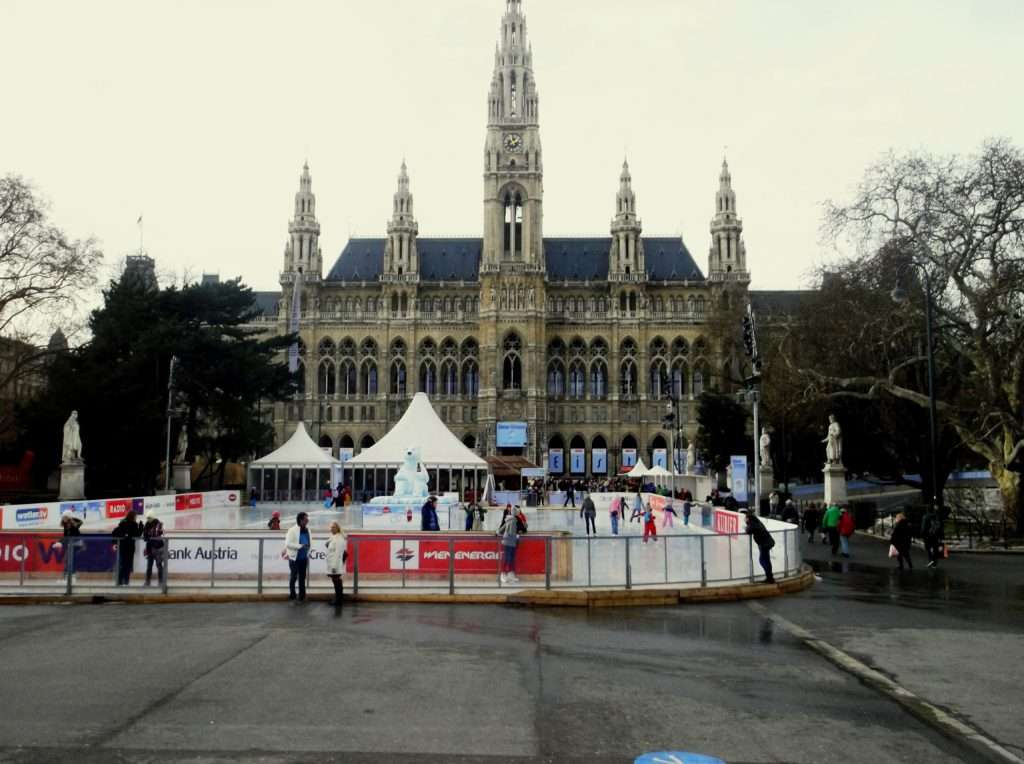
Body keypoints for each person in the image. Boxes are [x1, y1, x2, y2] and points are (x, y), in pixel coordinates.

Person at [284, 512, 313, 601]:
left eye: (307, 518)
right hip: (294, 558)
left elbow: (310, 542)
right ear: (300, 520)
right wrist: (300, 546)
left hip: (304, 558)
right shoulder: (292, 530)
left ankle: (302, 596)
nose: (307, 520)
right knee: (294, 577)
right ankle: (292, 595)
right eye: (306, 519)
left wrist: (308, 549)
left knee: (302, 577)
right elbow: (288, 544)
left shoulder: (308, 529)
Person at [743, 509, 776, 583]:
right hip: (766, 542)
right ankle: (770, 577)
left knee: (762, 560)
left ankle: (769, 577)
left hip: (764, 544)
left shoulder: (753, 524)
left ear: (749, 518)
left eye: (746, 518)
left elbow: (748, 531)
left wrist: (746, 525)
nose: (745, 519)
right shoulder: (756, 522)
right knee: (766, 560)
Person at [111, 510, 143, 586]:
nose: (136, 518)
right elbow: (137, 534)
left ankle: (119, 581)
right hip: (129, 548)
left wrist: (114, 543)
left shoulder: (122, 523)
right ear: (133, 517)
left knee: (122, 564)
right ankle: (126, 581)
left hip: (122, 547)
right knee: (127, 565)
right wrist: (141, 527)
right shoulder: (133, 524)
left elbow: (114, 532)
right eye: (135, 516)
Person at [325, 520, 346, 606]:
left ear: (338, 528)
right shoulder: (333, 537)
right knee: (335, 581)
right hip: (332, 563)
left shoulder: (339, 538)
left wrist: (334, 566)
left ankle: (339, 600)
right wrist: (329, 540)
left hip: (335, 564)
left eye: (333, 527)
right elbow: (327, 544)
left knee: (337, 581)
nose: (331, 529)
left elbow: (338, 553)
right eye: (331, 527)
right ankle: (338, 598)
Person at [58, 511, 84, 580]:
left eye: (65, 517)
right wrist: (59, 541)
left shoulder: (74, 521)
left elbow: (79, 523)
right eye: (63, 517)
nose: (63, 518)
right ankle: (68, 575)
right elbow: (65, 535)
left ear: (68, 517)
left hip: (76, 543)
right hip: (70, 543)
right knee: (68, 559)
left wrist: (72, 520)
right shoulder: (65, 524)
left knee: (71, 558)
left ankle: (72, 575)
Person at [142, 510, 165, 586]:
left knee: (159, 565)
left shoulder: (159, 524)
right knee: (149, 566)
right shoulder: (146, 524)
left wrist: (150, 535)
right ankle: (147, 581)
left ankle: (160, 581)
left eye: (149, 518)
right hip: (150, 548)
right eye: (147, 518)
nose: (148, 519)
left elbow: (157, 533)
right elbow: (145, 536)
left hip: (158, 548)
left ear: (152, 517)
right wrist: (149, 535)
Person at [498, 507, 520, 584]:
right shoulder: (513, 520)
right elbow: (511, 532)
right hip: (510, 542)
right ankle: (504, 574)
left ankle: (509, 573)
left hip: (507, 541)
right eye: (517, 512)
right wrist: (517, 537)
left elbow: (501, 529)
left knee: (509, 558)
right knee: (508, 558)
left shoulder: (508, 519)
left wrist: (498, 532)